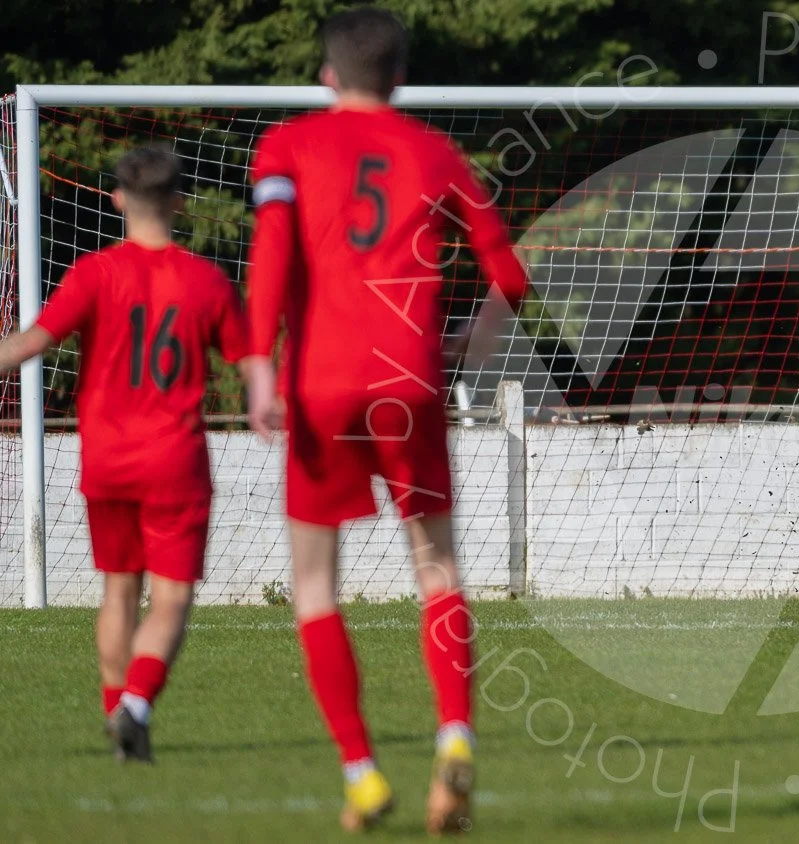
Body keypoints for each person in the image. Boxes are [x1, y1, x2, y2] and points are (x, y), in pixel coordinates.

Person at [242, 5, 529, 833]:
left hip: (320, 382)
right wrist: (469, 346)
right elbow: (509, 273)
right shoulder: (438, 155)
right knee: (437, 569)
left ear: (326, 76)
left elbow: (269, 259)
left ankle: (363, 774)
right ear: (399, 77)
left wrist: (260, 365)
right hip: (409, 380)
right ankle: (455, 735)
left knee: (313, 584)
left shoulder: (287, 147)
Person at [0, 146, 249, 761]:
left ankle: (120, 719)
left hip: (107, 460)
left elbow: (33, 340)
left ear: (115, 200)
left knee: (117, 591)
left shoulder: (93, 274)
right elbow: (251, 360)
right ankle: (136, 705)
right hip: (174, 464)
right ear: (180, 202)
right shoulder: (205, 280)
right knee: (169, 601)